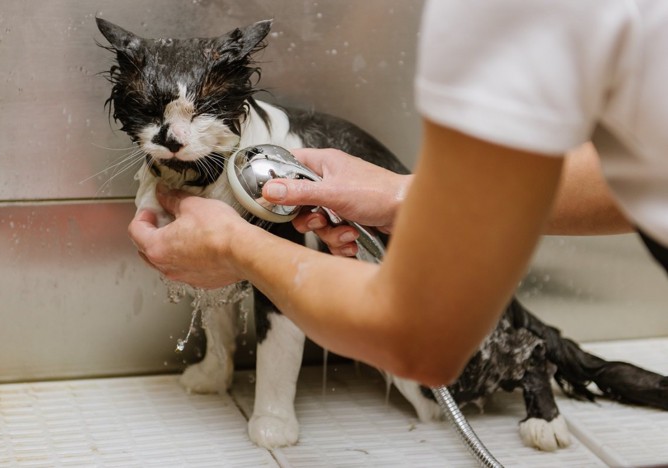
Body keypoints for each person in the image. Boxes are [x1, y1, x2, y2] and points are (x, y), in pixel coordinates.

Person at [128, 0, 668, 387]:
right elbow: (643, 174)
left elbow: (421, 339)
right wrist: (406, 194)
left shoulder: (505, 13)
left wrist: (233, 250)